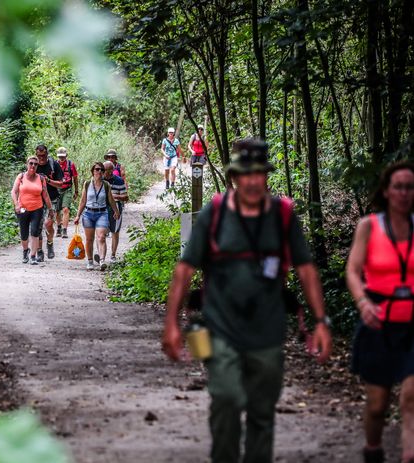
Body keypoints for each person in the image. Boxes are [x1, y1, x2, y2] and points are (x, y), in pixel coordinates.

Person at [162, 138, 332, 463]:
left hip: (267, 333)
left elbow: (307, 269)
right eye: (246, 174)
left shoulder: (282, 215)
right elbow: (185, 270)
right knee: (225, 399)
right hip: (218, 329)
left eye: (259, 174)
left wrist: (322, 321)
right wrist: (171, 324)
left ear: (266, 176)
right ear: (234, 177)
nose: (253, 181)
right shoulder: (215, 212)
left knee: (261, 412)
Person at [346, 161, 414, 463]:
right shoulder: (369, 226)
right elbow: (353, 270)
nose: (404, 193)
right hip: (379, 321)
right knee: (377, 405)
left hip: (412, 324)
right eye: (398, 187)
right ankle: (373, 451)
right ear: (386, 191)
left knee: (411, 398)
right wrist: (362, 302)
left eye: (410, 187)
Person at [74, 162, 120, 271]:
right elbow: (83, 201)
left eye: (101, 170)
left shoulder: (106, 185)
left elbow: (111, 200)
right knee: (89, 239)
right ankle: (90, 261)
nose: (99, 172)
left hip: (102, 213)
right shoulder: (87, 184)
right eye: (97, 169)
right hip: (88, 214)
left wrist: (116, 211)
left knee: (101, 237)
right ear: (93, 171)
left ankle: (102, 260)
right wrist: (77, 215)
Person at [11, 156, 54, 265]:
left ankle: (33, 256)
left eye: (35, 164)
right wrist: (16, 204)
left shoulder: (41, 179)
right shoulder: (21, 177)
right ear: (27, 164)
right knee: (24, 234)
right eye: (31, 163)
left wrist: (50, 209)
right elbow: (14, 191)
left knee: (35, 232)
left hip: (37, 208)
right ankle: (26, 251)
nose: (33, 166)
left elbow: (45, 195)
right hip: (23, 208)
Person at [35, 144, 63, 260]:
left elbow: (61, 183)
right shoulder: (33, 165)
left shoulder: (54, 165)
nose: (41, 158)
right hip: (37, 200)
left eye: (43, 155)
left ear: (47, 154)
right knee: (38, 226)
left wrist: (48, 180)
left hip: (52, 199)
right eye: (39, 155)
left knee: (48, 224)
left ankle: (50, 244)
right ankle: (39, 251)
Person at [103, 160, 128, 262]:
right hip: (103, 209)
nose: (107, 172)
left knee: (115, 232)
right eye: (104, 170)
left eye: (109, 170)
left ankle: (113, 255)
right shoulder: (100, 180)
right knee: (102, 232)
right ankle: (102, 256)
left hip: (116, 208)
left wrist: (113, 197)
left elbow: (126, 197)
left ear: (113, 170)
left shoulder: (119, 181)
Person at [56, 146, 79, 239]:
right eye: (60, 156)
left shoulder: (70, 165)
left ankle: (64, 230)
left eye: (63, 156)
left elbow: (75, 178)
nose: (61, 158)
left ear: (66, 156)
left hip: (67, 189)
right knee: (57, 210)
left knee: (65, 209)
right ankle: (58, 227)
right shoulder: (55, 164)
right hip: (57, 189)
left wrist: (76, 190)